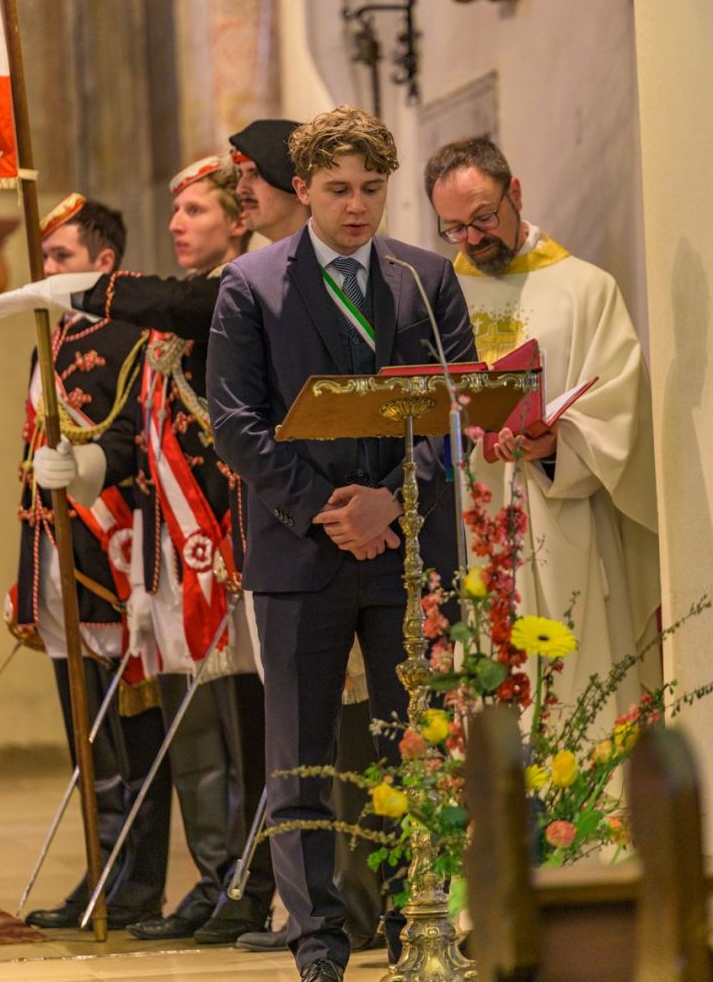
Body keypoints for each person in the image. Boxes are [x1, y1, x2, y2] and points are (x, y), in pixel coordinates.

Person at [206, 105, 475, 982]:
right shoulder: (253, 284)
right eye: (337, 190)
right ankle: (317, 942)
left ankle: (413, 928)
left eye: (371, 189)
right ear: (302, 191)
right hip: (300, 552)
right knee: (302, 756)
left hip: (405, 551)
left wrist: (391, 506)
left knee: (411, 750)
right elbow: (236, 425)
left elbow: (457, 406)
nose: (357, 207)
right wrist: (328, 508)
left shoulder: (423, 278)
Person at [0, 157, 277, 944]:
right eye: (176, 208)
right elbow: (133, 440)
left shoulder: (229, 297)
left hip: (221, 551)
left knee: (237, 733)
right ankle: (206, 880)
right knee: (192, 741)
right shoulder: (147, 335)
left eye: (195, 209)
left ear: (240, 218)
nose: (179, 222)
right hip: (163, 559)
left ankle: (243, 884)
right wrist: (86, 468)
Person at [424, 136, 661, 718]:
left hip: (562, 521)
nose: (474, 239)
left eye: (484, 217)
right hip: (468, 526)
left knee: (575, 691)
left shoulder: (585, 288)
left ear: (517, 193)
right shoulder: (432, 301)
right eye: (455, 228)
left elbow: (617, 408)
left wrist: (558, 445)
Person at [5, 195, 171, 929]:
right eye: (44, 258)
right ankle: (101, 876)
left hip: (112, 562)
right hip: (57, 560)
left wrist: (87, 465)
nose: (48, 270)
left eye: (61, 258)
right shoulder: (55, 337)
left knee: (130, 738)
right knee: (88, 743)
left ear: (105, 263)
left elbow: (139, 444)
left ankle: (135, 887)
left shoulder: (133, 336)